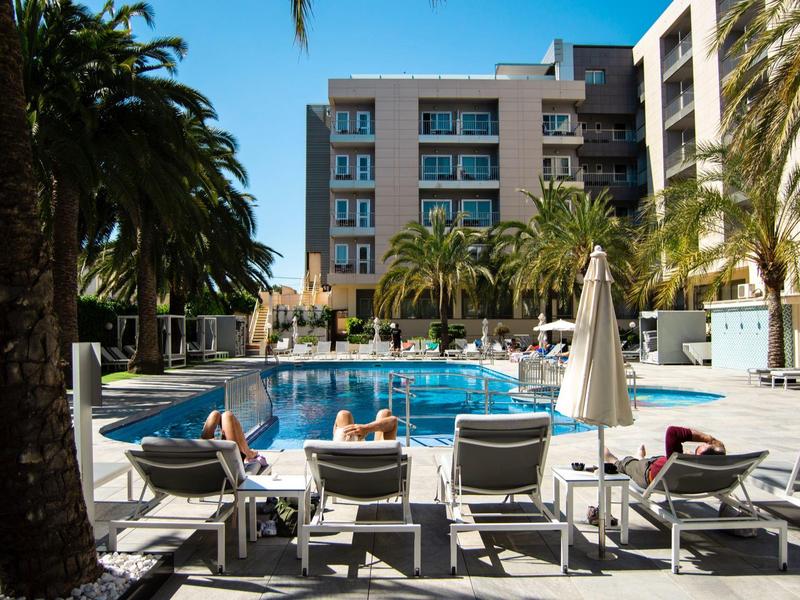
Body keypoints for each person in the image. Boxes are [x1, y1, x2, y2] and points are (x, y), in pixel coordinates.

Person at [605, 425, 726, 489]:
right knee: (662, 458)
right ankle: (640, 457)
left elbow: (672, 431)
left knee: (627, 463)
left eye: (705, 445)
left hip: (648, 474)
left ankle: (612, 458)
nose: (703, 444)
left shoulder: (680, 462)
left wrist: (710, 438)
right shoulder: (710, 468)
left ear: (700, 455)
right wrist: (690, 457)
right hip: (662, 467)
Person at [201, 410, 267, 466]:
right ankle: (248, 453)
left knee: (215, 414)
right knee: (227, 415)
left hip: (201, 457)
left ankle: (248, 453)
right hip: (232, 462)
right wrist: (219, 441)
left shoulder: (190, 448)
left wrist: (215, 440)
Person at [333, 408, 398, 442]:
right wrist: (366, 429)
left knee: (344, 414)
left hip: (346, 459)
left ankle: (351, 437)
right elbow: (393, 421)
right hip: (377, 463)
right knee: (385, 413)